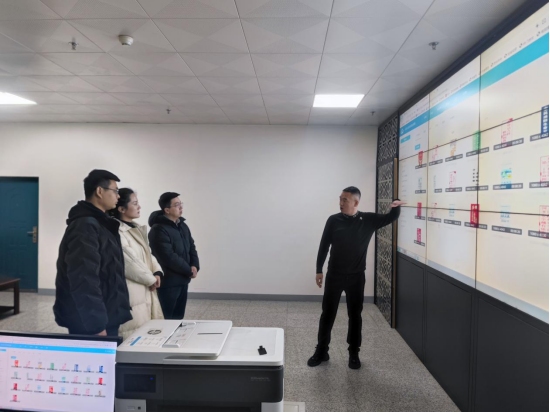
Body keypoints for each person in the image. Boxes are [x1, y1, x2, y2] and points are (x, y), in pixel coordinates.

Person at [308, 187, 406, 370]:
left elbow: (390, 217)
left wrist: (395, 204)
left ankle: (354, 353)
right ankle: (321, 351)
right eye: (340, 199)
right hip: (334, 275)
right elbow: (324, 245)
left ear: (356, 202)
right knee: (327, 314)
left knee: (355, 315)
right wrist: (319, 270)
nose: (340, 203)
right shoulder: (333, 220)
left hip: (356, 277)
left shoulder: (368, 220)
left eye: (345, 200)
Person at [54, 170, 131, 337]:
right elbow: (84, 278)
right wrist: (96, 325)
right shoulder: (85, 226)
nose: (118, 196)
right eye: (115, 191)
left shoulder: (101, 223)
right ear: (99, 191)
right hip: (90, 322)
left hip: (106, 313)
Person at [109, 188, 164, 340]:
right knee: (133, 332)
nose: (139, 206)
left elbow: (147, 254)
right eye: (135, 203)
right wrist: (151, 279)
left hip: (145, 285)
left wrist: (157, 271)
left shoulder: (135, 227)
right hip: (133, 289)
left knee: (146, 329)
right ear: (121, 209)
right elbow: (129, 262)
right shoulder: (117, 230)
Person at [148, 192, 200, 320]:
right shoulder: (158, 229)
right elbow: (168, 257)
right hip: (169, 282)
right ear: (167, 210)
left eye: (181, 204)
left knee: (178, 318)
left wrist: (195, 266)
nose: (181, 207)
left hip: (183, 280)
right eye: (177, 205)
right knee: (166, 319)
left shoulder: (182, 225)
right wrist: (188, 270)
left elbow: (191, 247)